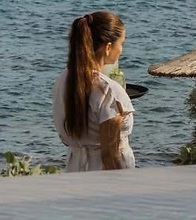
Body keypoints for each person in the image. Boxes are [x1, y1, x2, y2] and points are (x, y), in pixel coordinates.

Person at [52, 11, 135, 171]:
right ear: (108, 47)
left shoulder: (62, 82)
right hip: (103, 174)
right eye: (121, 44)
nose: (121, 51)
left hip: (74, 168)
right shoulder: (108, 90)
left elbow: (67, 136)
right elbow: (110, 155)